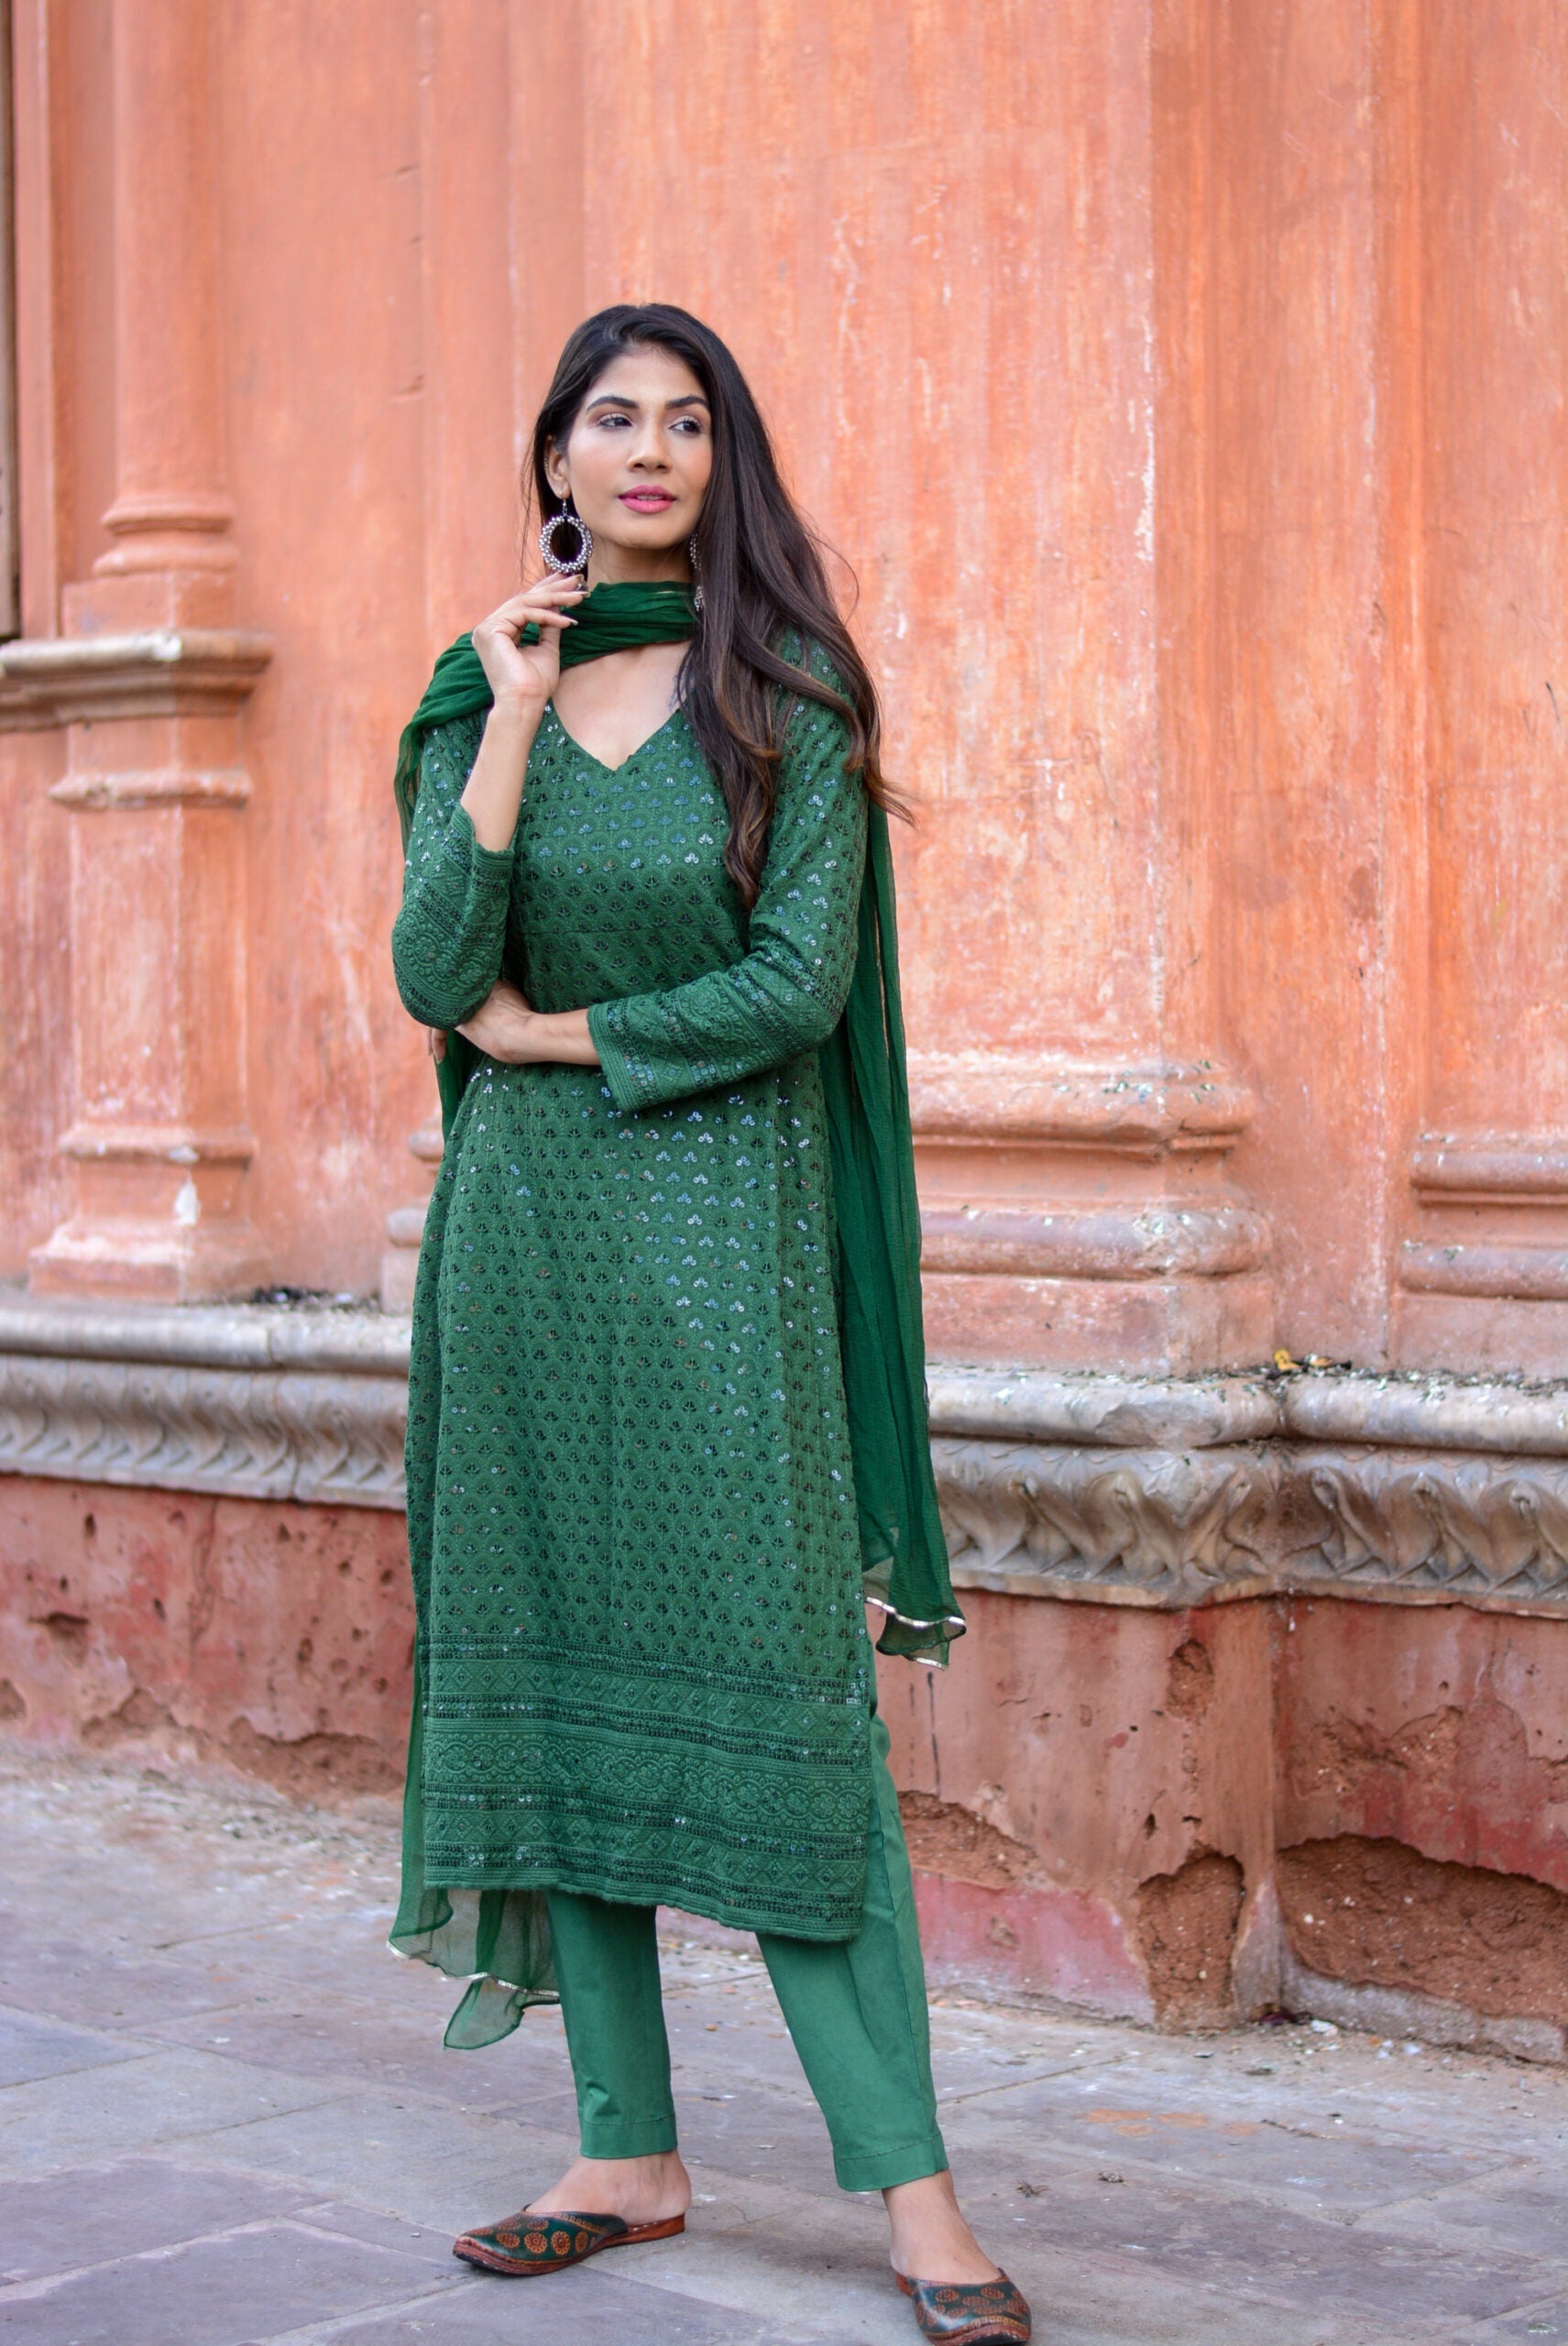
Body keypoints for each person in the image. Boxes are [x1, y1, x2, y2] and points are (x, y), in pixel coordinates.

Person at [389, 301, 1030, 2346]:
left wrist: (561, 1038)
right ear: (556, 459)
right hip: (523, 1269)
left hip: (727, 1258)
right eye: (613, 418)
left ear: (719, 460)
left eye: (686, 421)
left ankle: (916, 2194)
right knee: (557, 1684)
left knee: (792, 1721)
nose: (650, 449)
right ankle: (623, 2150)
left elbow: (795, 986)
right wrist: (508, 718)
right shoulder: (469, 688)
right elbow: (434, 968)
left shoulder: (787, 691)